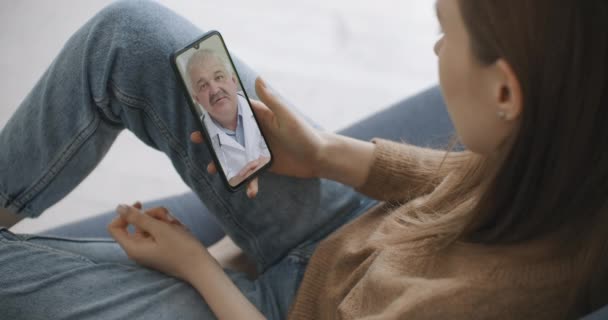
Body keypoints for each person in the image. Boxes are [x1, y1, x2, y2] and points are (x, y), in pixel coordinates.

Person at [0, 0, 607, 319]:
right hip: (347, 233)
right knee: (130, 35)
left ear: (505, 92)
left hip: (281, 312)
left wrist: (198, 266)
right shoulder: (567, 153)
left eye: (447, 28)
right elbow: (459, 179)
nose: (437, 45)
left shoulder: (471, 308)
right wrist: (324, 154)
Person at [187, 49, 270, 186]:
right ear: (197, 99)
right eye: (203, 86)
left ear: (233, 80)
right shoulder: (201, 136)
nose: (214, 90)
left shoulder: (258, 106)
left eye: (219, 77)